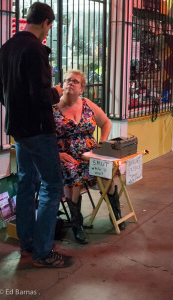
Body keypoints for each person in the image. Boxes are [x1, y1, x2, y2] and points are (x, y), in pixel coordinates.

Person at [0, 2, 73, 268]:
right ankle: (43, 252)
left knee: (28, 184)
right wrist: (57, 92)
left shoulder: (6, 49)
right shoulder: (35, 49)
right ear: (46, 22)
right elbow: (41, 95)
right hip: (39, 130)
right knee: (52, 186)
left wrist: (17, 109)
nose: (48, 34)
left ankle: (27, 243)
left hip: (18, 130)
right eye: (49, 28)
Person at [53, 70, 112, 244]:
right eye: (67, 80)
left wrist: (101, 143)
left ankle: (115, 211)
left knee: (108, 168)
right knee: (73, 171)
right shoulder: (53, 108)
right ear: (62, 85)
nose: (71, 83)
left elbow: (106, 122)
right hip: (65, 156)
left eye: (75, 81)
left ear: (82, 89)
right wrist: (57, 154)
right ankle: (76, 223)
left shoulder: (87, 104)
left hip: (90, 153)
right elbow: (44, 136)